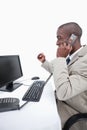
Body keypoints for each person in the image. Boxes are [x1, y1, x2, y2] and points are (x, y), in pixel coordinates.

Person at [37, 22, 87, 130]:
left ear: (72, 37)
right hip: (62, 103)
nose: (56, 42)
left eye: (59, 38)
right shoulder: (73, 57)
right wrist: (44, 62)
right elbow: (61, 73)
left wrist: (60, 58)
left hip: (72, 114)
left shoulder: (85, 60)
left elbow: (64, 92)